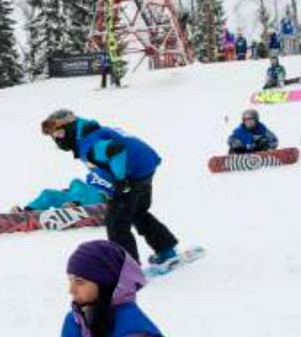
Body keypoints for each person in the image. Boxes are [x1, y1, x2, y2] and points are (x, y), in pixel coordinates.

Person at [41, 110, 179, 267]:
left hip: (131, 175)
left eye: (59, 134)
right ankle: (166, 250)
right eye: (54, 137)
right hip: (145, 167)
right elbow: (107, 160)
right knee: (138, 213)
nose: (57, 140)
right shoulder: (92, 132)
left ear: (71, 128)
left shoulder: (88, 143)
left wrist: (120, 180)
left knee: (116, 222)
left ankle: (128, 268)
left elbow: (116, 150)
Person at [61, 240, 163, 337]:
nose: (71, 291)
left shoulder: (133, 329)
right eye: (70, 280)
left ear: (105, 283)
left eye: (79, 282)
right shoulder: (75, 320)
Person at [11, 167, 114, 213]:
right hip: (76, 194)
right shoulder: (93, 173)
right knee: (48, 193)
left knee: (82, 186)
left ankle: (75, 206)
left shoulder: (118, 174)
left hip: (99, 198)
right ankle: (28, 212)